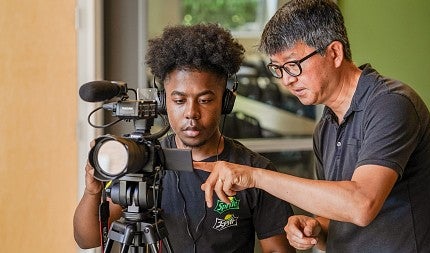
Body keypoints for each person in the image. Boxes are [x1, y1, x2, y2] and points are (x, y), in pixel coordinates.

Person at [197, 1, 430, 252]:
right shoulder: (325, 127)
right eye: (278, 69)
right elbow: (336, 220)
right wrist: (315, 228)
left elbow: (361, 205)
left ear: (334, 53)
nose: (287, 81)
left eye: (293, 65)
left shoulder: (391, 104)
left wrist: (255, 176)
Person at [73, 23, 295, 253]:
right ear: (163, 101)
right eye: (179, 101)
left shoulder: (254, 171)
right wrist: (92, 192)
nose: (191, 113)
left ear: (226, 101)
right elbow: (87, 240)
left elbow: (279, 250)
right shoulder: (143, 163)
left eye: (205, 100)